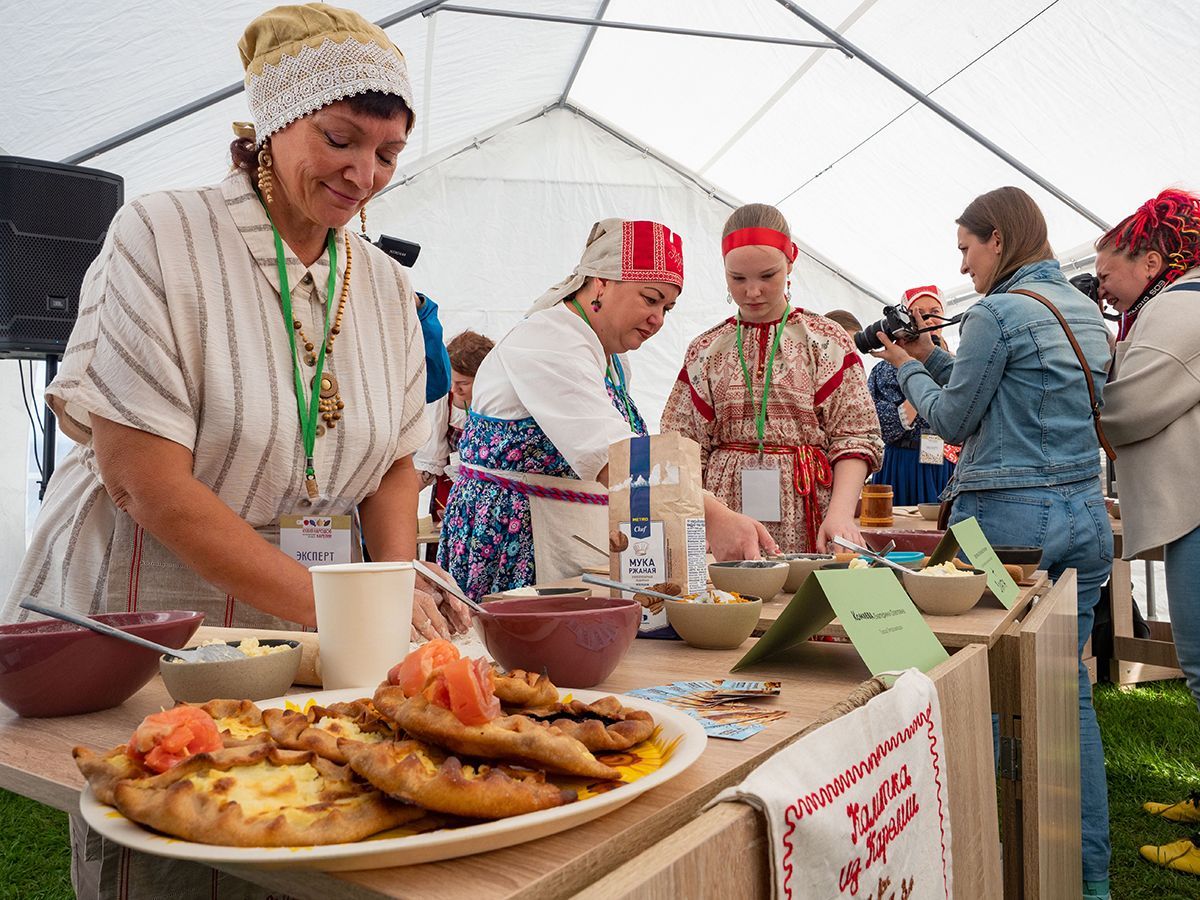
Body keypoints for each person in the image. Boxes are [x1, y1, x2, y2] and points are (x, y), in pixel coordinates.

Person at [4, 6, 473, 895]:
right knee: (182, 831)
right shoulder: (161, 235)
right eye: (341, 138)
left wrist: (390, 591)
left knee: (317, 823)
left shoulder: (384, 282)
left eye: (386, 154)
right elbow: (143, 481)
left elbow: (396, 462)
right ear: (270, 120)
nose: (362, 173)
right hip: (162, 598)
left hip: (316, 608)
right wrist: (329, 609)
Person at [872, 186, 1114, 900]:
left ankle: (993, 862)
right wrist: (932, 356)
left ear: (998, 240)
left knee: (989, 695)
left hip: (1009, 524)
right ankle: (1087, 878)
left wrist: (906, 364)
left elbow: (951, 418)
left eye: (967, 249)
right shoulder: (1081, 311)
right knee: (1068, 697)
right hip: (1082, 515)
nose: (964, 265)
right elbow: (1005, 398)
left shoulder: (995, 313)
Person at [438, 218, 771, 600]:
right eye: (650, 299)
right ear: (601, 282)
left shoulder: (611, 357)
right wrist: (712, 516)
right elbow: (617, 456)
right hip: (513, 543)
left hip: (559, 536)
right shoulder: (547, 338)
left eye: (668, 307)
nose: (658, 319)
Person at [661, 203, 883, 554]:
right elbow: (679, 446)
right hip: (724, 519)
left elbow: (856, 435)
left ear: (790, 263)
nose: (752, 292)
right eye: (738, 279)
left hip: (813, 515)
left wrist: (841, 514)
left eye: (767, 276)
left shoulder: (826, 340)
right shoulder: (706, 349)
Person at [1094, 189, 1200, 876]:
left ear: (1154, 260)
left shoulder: (1178, 307)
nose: (1102, 287)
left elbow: (1128, 408)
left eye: (1108, 275)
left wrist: (1095, 385)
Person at [867, 286, 957, 505]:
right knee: (900, 532)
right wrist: (916, 371)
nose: (927, 320)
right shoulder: (884, 369)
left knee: (957, 530)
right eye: (918, 313)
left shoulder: (961, 365)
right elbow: (877, 426)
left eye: (934, 311)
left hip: (949, 464)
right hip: (901, 465)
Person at [415, 329, 495, 519]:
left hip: (490, 489)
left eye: (463, 383)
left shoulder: (497, 403)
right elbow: (431, 459)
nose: (454, 388)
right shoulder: (444, 400)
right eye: (451, 380)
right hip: (450, 489)